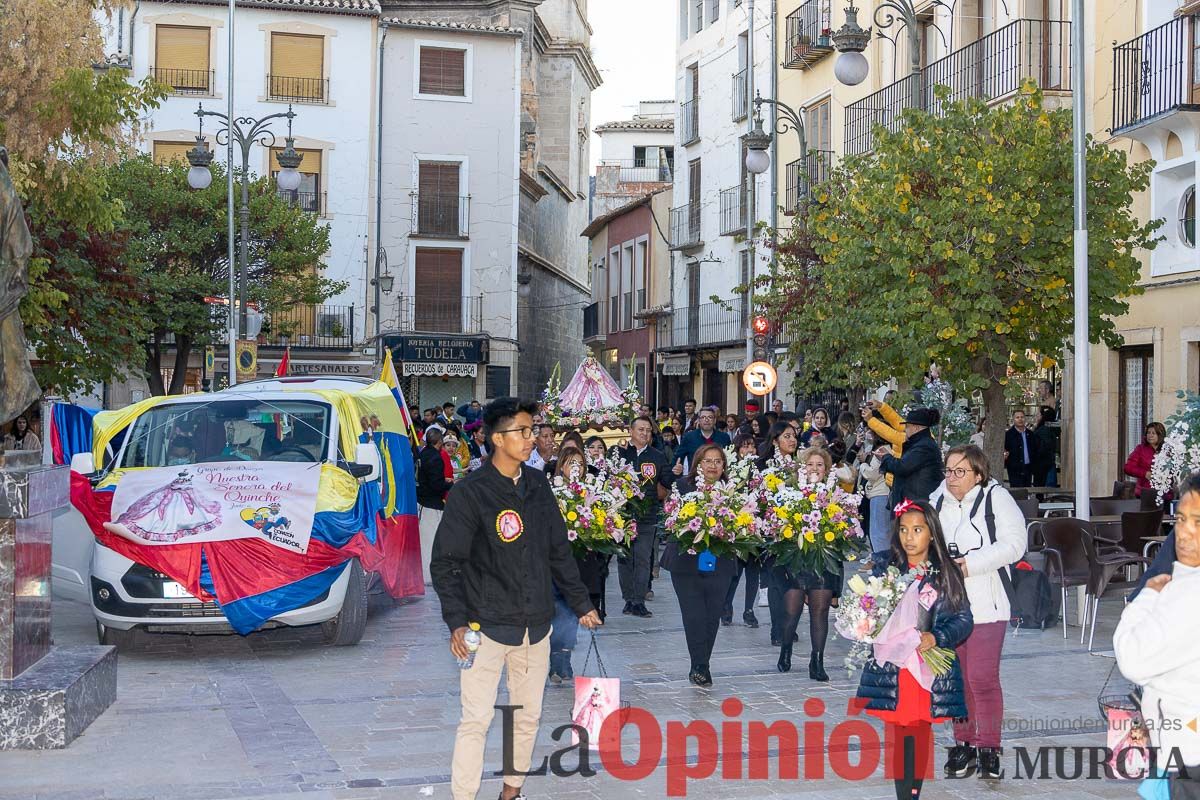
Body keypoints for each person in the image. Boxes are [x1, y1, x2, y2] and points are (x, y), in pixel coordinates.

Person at [430, 397, 602, 800]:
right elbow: (445, 563)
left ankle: (512, 792)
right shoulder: (471, 493)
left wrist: (582, 604)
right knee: (475, 719)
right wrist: (456, 620)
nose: (531, 439)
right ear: (496, 439)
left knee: (527, 716)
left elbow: (558, 549)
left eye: (533, 430)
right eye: (521, 432)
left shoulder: (538, 485)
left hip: (535, 624)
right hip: (484, 626)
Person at [857, 500, 973, 800]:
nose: (910, 537)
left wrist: (936, 636)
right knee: (898, 734)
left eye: (918, 530)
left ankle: (912, 792)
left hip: (924, 667)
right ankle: (904, 794)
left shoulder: (945, 571)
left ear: (932, 533)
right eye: (904, 530)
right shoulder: (885, 566)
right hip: (894, 666)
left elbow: (963, 619)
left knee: (918, 731)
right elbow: (868, 608)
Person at [931, 445, 1027, 781]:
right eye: (948, 470)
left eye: (960, 471)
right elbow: (921, 539)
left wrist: (970, 565)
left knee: (982, 679)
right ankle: (964, 743)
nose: (952, 477)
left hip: (987, 601)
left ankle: (989, 747)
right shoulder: (937, 499)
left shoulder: (995, 498)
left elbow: (1016, 543)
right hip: (948, 606)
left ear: (978, 474)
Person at [1114, 471, 1200, 797]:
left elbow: (1133, 658)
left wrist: (1149, 597)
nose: (1185, 533)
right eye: (1181, 520)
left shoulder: (1188, 593)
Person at [660, 442, 738, 687]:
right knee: (693, 615)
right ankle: (699, 665)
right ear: (697, 464)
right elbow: (672, 519)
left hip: (720, 561)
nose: (713, 466)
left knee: (712, 615)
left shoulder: (731, 490)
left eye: (717, 461)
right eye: (707, 461)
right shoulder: (682, 486)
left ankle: (703, 663)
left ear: (724, 465)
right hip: (686, 562)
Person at [774, 446, 842, 680]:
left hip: (823, 562)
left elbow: (844, 532)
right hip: (796, 561)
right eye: (810, 464)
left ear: (826, 469)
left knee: (820, 611)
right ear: (803, 468)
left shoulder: (837, 495)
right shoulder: (790, 492)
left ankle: (817, 660)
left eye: (819, 465)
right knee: (791, 612)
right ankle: (786, 650)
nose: (815, 469)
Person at [616, 417, 672, 618]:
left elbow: (666, 480)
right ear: (630, 431)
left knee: (642, 559)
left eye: (648, 430)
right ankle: (628, 599)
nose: (645, 434)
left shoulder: (657, 455)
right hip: (622, 515)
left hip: (647, 515)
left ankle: (639, 601)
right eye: (640, 430)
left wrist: (673, 475)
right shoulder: (620, 453)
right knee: (624, 559)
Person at [757, 422, 802, 648]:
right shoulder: (764, 466)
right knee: (776, 582)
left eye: (793, 436)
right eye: (786, 436)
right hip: (772, 531)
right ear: (775, 440)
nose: (792, 440)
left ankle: (789, 625)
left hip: (797, 532)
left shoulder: (801, 465)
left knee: (795, 582)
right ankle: (777, 629)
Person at [548, 448, 590, 684]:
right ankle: (556, 659)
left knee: (572, 611)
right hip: (554, 562)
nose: (576, 468)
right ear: (561, 465)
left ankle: (564, 660)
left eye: (581, 464)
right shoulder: (550, 491)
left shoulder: (589, 492)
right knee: (557, 610)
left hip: (579, 561)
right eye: (571, 463)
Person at [876, 408, 943, 508]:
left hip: (915, 503)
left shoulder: (924, 446)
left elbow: (902, 467)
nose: (905, 429)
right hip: (910, 501)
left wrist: (886, 457)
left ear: (916, 428)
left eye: (907, 426)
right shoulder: (919, 444)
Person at [417, 428, 455, 586]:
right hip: (432, 505)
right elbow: (436, 485)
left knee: (426, 540)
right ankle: (429, 576)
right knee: (431, 542)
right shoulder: (435, 458)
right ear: (440, 442)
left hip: (422, 502)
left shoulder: (422, 454)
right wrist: (450, 483)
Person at [674, 407, 731, 473]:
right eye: (703, 417)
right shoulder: (689, 437)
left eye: (710, 417)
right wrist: (677, 467)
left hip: (718, 478)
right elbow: (678, 458)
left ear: (715, 420)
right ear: (698, 420)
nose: (706, 420)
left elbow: (729, 459)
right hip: (695, 478)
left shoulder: (724, 437)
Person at [1124, 421, 1166, 498]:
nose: (1150, 435)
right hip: (1144, 493)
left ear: (1160, 435)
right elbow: (1128, 468)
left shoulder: (1167, 450)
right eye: (1148, 433)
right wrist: (1145, 473)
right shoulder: (1140, 449)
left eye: (1153, 433)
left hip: (1165, 493)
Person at [1003, 410, 1038, 488]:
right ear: (1013, 419)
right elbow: (1005, 450)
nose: (1020, 419)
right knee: (1017, 492)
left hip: (1028, 467)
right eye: (1017, 417)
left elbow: (1034, 450)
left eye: (1022, 417)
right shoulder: (1008, 435)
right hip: (1014, 468)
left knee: (1027, 490)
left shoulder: (1031, 434)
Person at [1030, 408, 1059, 488]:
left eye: (1038, 415)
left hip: (1042, 465)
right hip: (1044, 464)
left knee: (1041, 486)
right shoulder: (1046, 429)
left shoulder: (1043, 430)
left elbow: (1042, 448)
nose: (1036, 416)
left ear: (1043, 417)